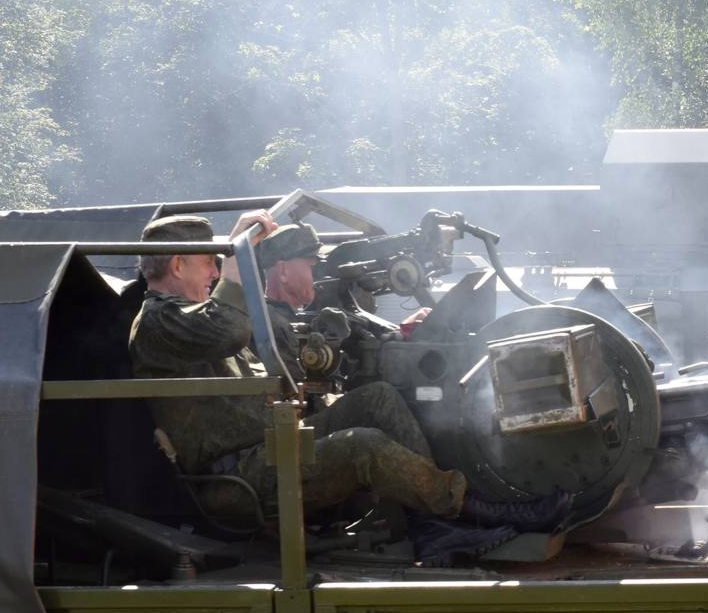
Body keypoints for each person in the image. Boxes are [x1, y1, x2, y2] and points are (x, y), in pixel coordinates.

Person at [129, 213, 567, 559]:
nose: (214, 271)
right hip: (241, 478)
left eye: (217, 262)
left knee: (377, 399)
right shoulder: (158, 322)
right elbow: (230, 329)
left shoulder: (190, 317)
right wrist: (236, 258)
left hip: (269, 449)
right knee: (362, 446)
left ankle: (433, 524)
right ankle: (472, 510)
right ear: (177, 264)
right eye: (209, 262)